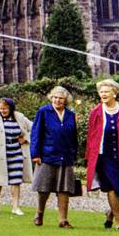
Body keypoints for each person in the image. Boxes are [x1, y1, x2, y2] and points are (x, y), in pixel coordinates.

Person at [86, 78, 119, 232]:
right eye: (101, 92)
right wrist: (89, 156)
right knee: (112, 187)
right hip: (104, 157)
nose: (103, 94)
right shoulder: (96, 113)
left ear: (115, 93)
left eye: (106, 91)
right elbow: (91, 135)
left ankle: (110, 214)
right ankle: (118, 220)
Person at [30, 85, 81, 228]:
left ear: (66, 101)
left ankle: (63, 220)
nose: (58, 100)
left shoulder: (70, 115)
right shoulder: (43, 112)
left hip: (65, 156)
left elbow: (73, 137)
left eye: (61, 98)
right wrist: (35, 154)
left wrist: (73, 154)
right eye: (55, 97)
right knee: (44, 188)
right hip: (47, 155)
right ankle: (39, 213)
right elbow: (35, 133)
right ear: (51, 98)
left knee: (64, 189)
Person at [0, 96, 32, 216]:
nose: (3, 111)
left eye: (5, 108)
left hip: (16, 153)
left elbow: (34, 127)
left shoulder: (19, 117)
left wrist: (25, 138)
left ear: (11, 108)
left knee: (16, 180)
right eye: (1, 108)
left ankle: (15, 207)